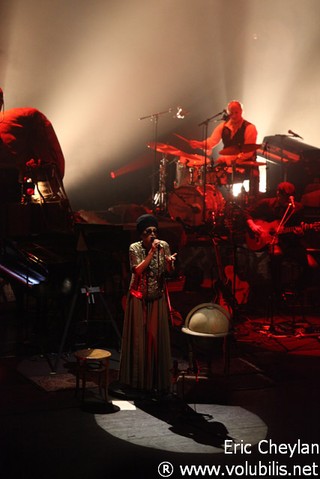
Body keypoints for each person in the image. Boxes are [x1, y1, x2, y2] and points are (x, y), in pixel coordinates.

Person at [119, 214, 177, 396]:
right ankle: (137, 381)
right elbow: (137, 270)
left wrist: (170, 264)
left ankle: (156, 380)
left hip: (157, 297)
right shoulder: (134, 248)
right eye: (148, 231)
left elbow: (168, 273)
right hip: (138, 297)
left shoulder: (164, 246)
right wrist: (151, 252)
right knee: (139, 339)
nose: (153, 234)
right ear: (141, 235)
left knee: (155, 338)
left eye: (154, 231)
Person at [244, 181, 310, 299]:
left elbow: (300, 226)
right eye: (283, 196)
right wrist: (253, 226)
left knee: (306, 263)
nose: (285, 200)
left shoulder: (297, 208)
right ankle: (277, 293)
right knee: (276, 257)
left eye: (288, 197)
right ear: (278, 194)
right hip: (272, 241)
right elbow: (246, 212)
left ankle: (297, 290)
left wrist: (301, 231)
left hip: (290, 242)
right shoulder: (267, 203)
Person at [189, 100, 259, 197]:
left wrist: (227, 159)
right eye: (231, 113)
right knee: (210, 175)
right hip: (228, 166)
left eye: (236, 112)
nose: (233, 116)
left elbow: (248, 152)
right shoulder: (223, 126)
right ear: (227, 112)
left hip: (245, 166)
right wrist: (200, 144)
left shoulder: (250, 128)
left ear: (241, 112)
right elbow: (212, 141)